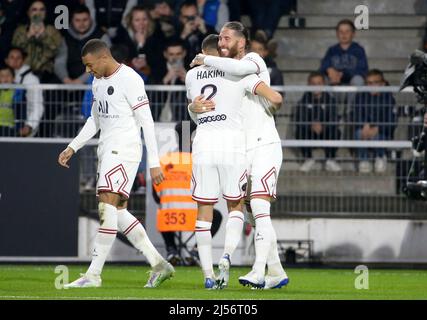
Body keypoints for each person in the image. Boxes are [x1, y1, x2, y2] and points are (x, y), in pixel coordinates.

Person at [57, 39, 174, 288]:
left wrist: (154, 163)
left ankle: (93, 275)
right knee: (118, 213)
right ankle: (159, 263)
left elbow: (147, 121)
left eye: (90, 65)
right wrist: (73, 145)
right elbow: (95, 120)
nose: (88, 71)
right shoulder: (97, 82)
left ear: (103, 57)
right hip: (107, 150)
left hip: (124, 150)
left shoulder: (130, 79)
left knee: (105, 208)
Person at [190, 21, 289, 290]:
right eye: (218, 39)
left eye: (225, 38)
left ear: (241, 41)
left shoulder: (252, 60)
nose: (221, 43)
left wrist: (206, 58)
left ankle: (258, 271)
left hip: (265, 145)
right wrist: (193, 107)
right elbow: (207, 116)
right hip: (241, 150)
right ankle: (277, 270)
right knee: (254, 214)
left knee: (258, 207)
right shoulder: (224, 74)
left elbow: (275, 97)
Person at [351, 69, 397, 173]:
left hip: (382, 132)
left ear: (383, 84)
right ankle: (364, 160)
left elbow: (392, 121)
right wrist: (364, 125)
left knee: (379, 136)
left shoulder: (389, 98)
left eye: (376, 82)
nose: (372, 86)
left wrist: (378, 128)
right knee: (358, 133)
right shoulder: (360, 96)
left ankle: (380, 157)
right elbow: (356, 115)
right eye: (369, 83)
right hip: (365, 130)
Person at [296, 71, 342, 172]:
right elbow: (300, 119)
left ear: (324, 84)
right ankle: (308, 159)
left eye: (319, 83)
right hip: (310, 133)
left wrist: (323, 126)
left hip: (325, 133)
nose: (316, 86)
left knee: (336, 132)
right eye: (313, 84)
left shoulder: (330, 100)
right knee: (299, 131)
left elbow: (334, 119)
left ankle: (330, 159)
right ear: (309, 85)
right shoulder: (303, 100)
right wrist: (310, 125)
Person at [11, 0, 62, 83]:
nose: (38, 13)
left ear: (45, 12)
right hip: (21, 72)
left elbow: (55, 51)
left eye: (42, 9)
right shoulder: (20, 30)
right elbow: (15, 52)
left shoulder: (53, 31)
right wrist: (28, 35)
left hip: (46, 74)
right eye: (34, 9)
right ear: (28, 12)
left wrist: (43, 36)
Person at [112, 5, 166, 81]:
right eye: (137, 20)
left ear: (149, 20)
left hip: (151, 80)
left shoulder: (157, 36)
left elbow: (160, 63)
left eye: (144, 19)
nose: (141, 23)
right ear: (131, 22)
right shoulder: (122, 37)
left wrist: (142, 45)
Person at [5, 47, 44, 137]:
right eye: (12, 57)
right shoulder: (2, 75)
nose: (15, 60)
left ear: (23, 60)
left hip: (22, 127)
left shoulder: (31, 79)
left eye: (18, 58)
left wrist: (29, 125)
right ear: (6, 60)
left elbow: (37, 105)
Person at [320, 19, 368, 87]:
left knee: (358, 79)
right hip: (335, 83)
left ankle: (354, 98)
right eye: (341, 31)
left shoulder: (359, 50)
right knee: (323, 79)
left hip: (351, 85)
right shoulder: (332, 50)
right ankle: (331, 98)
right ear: (337, 34)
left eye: (347, 31)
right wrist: (329, 69)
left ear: (353, 34)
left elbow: (362, 71)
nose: (344, 34)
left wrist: (342, 74)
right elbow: (323, 67)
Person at [150, 38, 189, 121]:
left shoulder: (191, 71)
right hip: (158, 120)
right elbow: (150, 96)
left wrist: (188, 80)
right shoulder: (157, 71)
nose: (175, 57)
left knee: (185, 134)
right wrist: (165, 79)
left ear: (184, 53)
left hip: (184, 121)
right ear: (165, 54)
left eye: (178, 54)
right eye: (171, 54)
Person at [178, 0, 216, 68]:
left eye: (193, 17)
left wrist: (205, 32)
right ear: (180, 18)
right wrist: (183, 36)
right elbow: (173, 53)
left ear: (199, 15)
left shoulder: (209, 30)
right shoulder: (176, 32)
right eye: (187, 18)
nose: (191, 20)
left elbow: (217, 49)